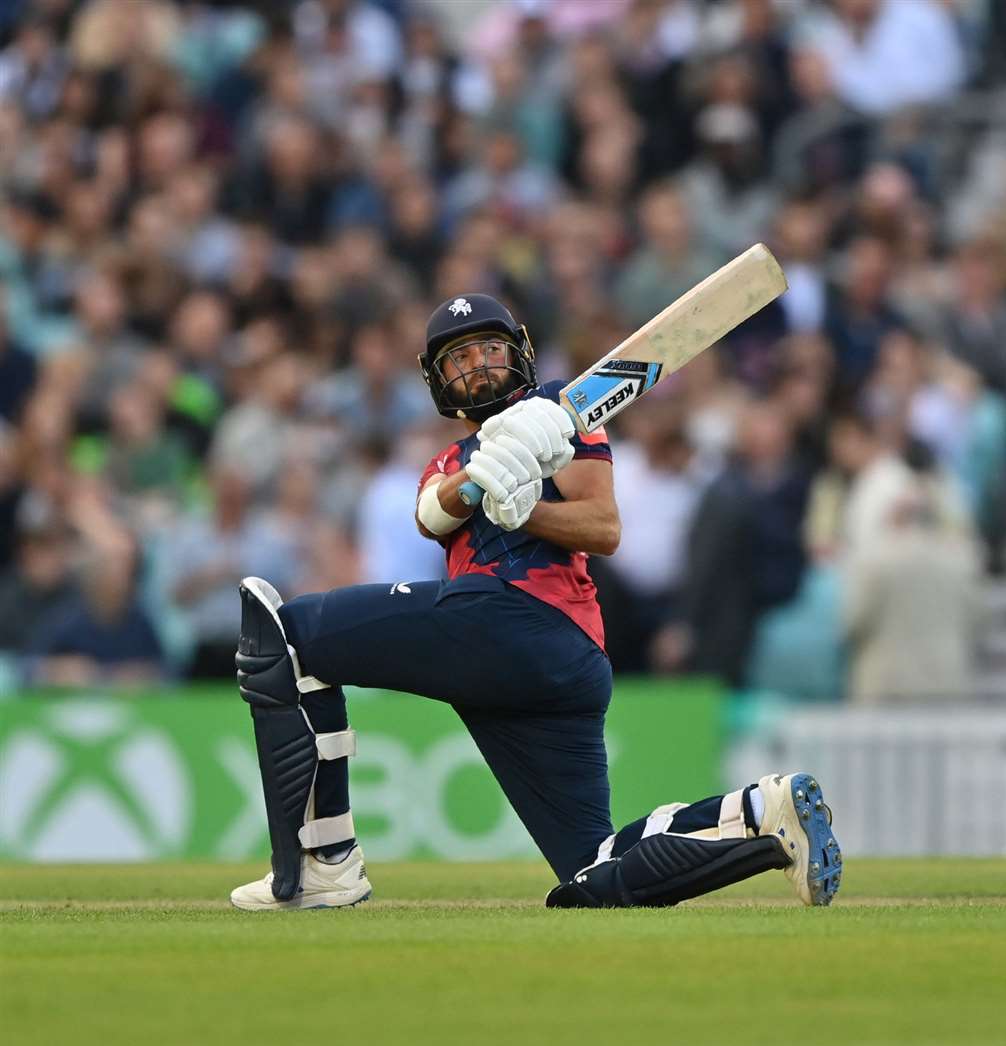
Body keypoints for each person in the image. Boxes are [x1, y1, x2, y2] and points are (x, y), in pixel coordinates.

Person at [228, 294, 841, 911]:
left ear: (517, 349)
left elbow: (603, 528)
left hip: (526, 620)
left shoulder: (561, 416)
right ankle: (764, 810)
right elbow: (431, 515)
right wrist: (479, 479)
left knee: (293, 633)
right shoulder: (444, 461)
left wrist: (530, 509)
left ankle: (320, 868)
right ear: (437, 379)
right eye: (460, 357)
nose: (479, 365)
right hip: (542, 668)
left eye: (490, 349)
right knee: (592, 873)